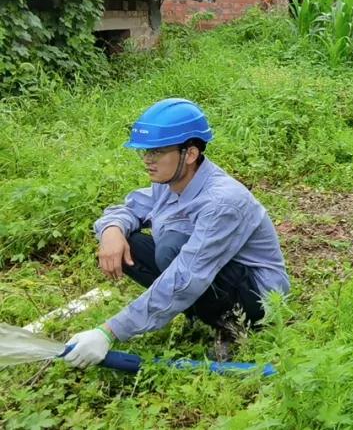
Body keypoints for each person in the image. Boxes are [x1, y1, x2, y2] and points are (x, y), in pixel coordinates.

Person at [62, 98, 290, 369]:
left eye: (157, 152)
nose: (148, 160)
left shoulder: (223, 202)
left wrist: (108, 332)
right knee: (130, 243)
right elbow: (128, 210)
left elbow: (187, 276)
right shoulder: (169, 182)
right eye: (145, 152)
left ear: (190, 154)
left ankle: (232, 328)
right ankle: (195, 312)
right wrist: (111, 231)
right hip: (208, 273)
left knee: (171, 248)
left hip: (257, 298)